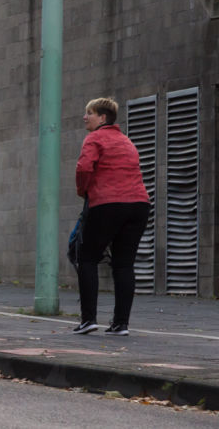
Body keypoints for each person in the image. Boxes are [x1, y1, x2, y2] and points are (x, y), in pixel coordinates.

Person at [73, 97, 150, 336]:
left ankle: (88, 320)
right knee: (124, 264)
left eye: (90, 113)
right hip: (138, 205)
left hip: (108, 205)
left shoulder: (94, 138)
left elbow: (84, 168)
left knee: (86, 258)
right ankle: (121, 324)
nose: (85, 117)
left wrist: (83, 191)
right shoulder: (127, 141)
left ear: (102, 118)